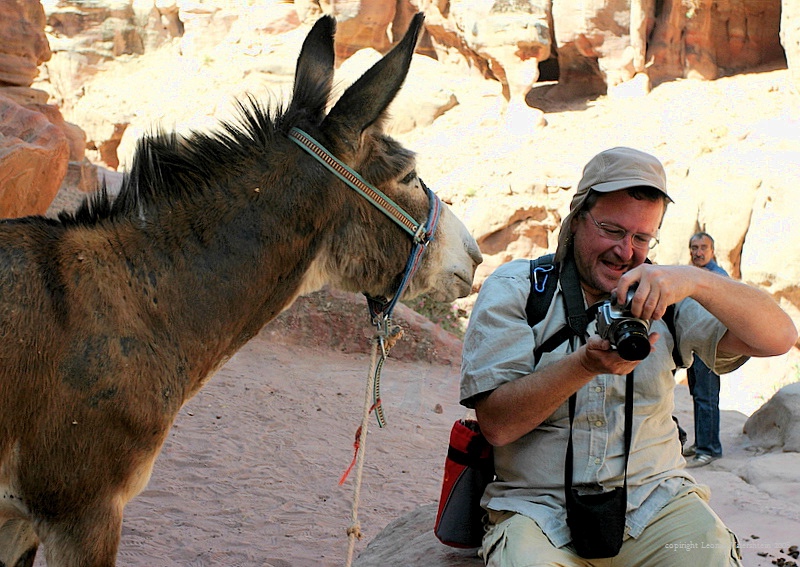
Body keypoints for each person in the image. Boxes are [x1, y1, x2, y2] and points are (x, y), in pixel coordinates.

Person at [460, 147, 797, 566]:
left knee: (707, 552)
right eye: (611, 230)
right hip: (538, 511)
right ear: (577, 218)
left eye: (642, 238)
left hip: (653, 505)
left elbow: (780, 337)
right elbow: (497, 425)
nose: (626, 251)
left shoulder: (668, 293)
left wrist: (696, 281)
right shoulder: (519, 290)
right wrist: (583, 365)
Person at [684, 232, 729, 467]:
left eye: (703, 248)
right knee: (699, 395)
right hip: (696, 347)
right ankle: (702, 442)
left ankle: (710, 449)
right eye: (694, 247)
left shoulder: (718, 278)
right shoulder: (694, 275)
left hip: (710, 348)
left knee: (707, 397)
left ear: (712, 251)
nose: (698, 252)